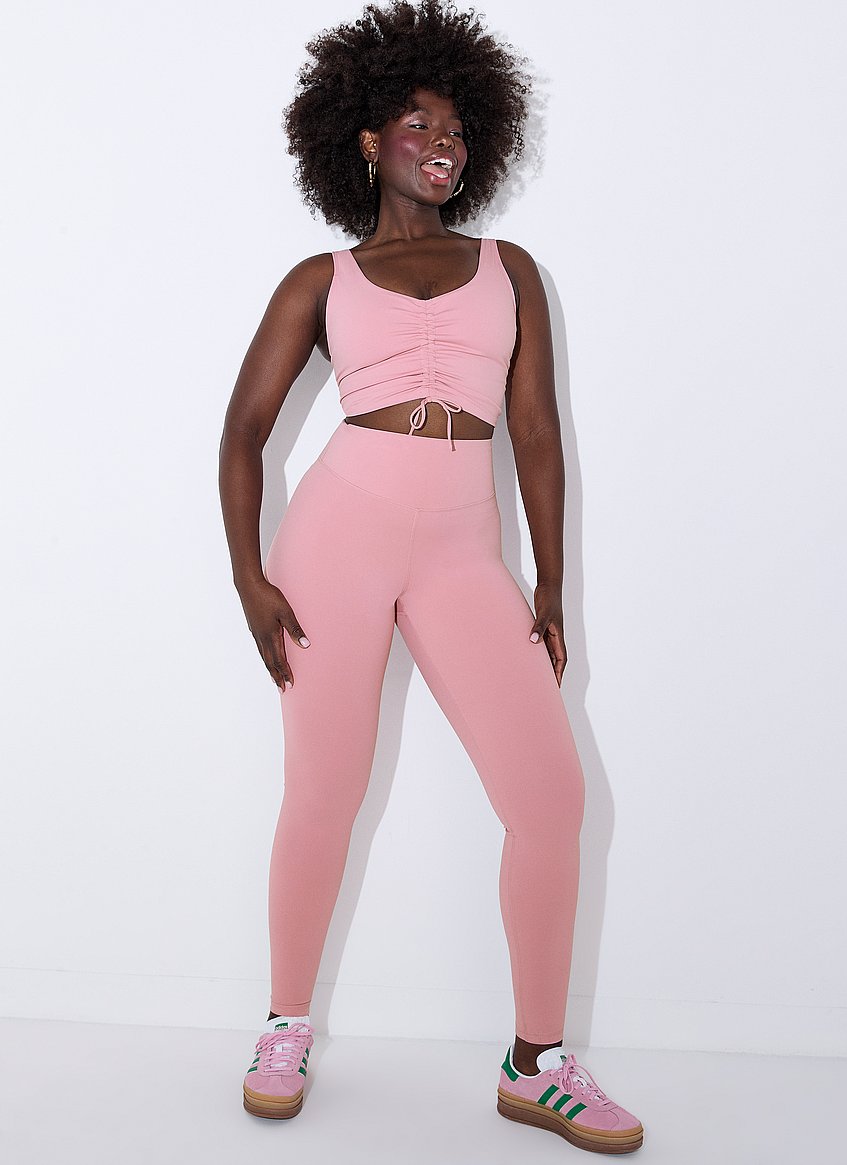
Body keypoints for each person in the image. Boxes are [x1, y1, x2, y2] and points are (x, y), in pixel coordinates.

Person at [218, 0, 644, 1152]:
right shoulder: (321, 278)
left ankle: (537, 1064)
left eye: (456, 127)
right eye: (417, 123)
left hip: (463, 551)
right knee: (324, 790)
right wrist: (250, 577)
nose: (441, 141)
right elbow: (244, 433)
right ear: (366, 140)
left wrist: (549, 581)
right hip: (336, 540)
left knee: (551, 798)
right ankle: (285, 1024)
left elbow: (536, 434)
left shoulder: (511, 270)